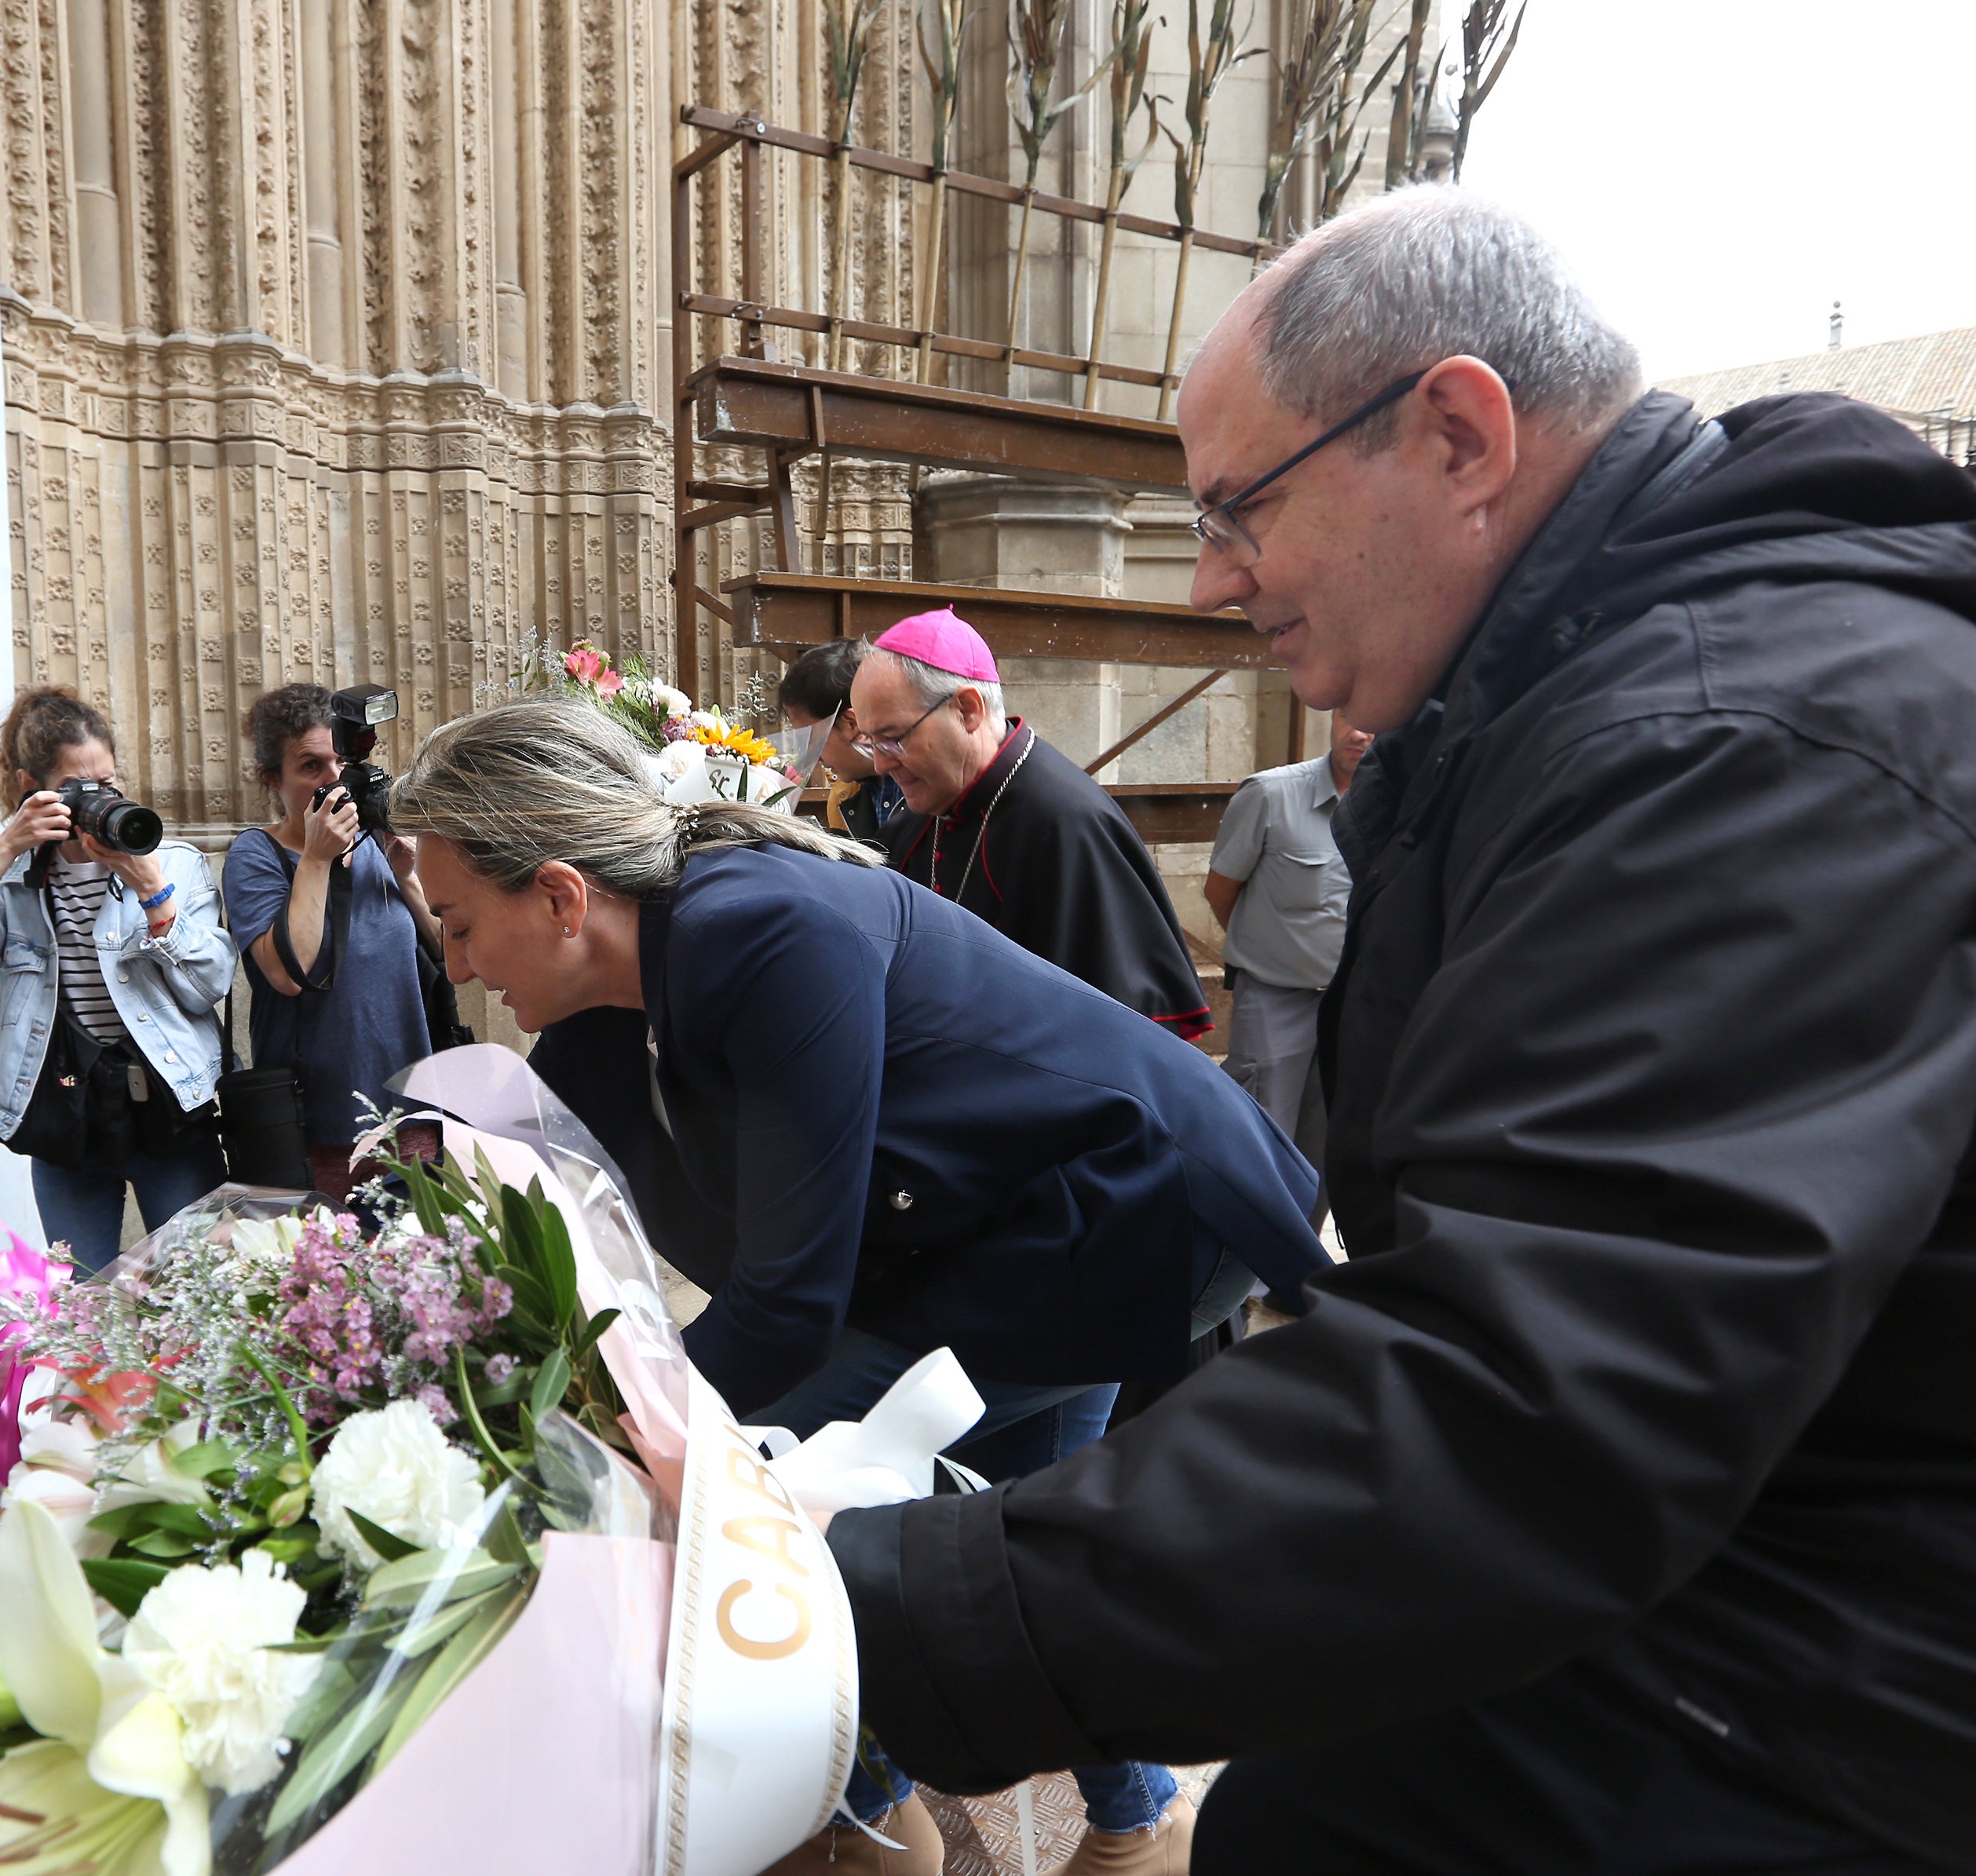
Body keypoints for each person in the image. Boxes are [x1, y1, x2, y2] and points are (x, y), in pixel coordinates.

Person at [820, 189, 1976, 1876]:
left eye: (1241, 509)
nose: (1208, 577)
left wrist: (867, 1613)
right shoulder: (1595, 700)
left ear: (1459, 434)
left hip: (1841, 1699)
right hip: (1736, 1605)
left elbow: (1525, 1403)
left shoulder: (1747, 747)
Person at [389, 698, 1329, 1876]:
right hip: (1012, 1227)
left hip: (1138, 1210)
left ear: (564, 895)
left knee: (799, 1508)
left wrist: (597, 1436)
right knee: (1009, 1521)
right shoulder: (598, 1011)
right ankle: (1130, 1814)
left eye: (463, 925)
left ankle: (856, 1818)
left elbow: (787, 1299)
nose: (459, 965)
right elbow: (601, 1235)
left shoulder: (757, 927)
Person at [0, 689, 231, 1275]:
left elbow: (210, 986)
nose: (99, 802)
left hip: (168, 1110)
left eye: (109, 783)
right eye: (79, 789)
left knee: (197, 1295)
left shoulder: (173, 864)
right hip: (69, 1117)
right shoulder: (16, 886)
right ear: (33, 787)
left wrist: (152, 892)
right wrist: (10, 842)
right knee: (84, 1308)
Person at [853, 611, 1212, 1040]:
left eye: (894, 738)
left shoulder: (1065, 823)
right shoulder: (917, 820)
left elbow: (1126, 1032)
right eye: (870, 741)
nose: (880, 763)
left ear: (967, 709)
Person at [224, 684, 442, 1196]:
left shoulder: (379, 842)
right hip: (318, 1129)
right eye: (310, 767)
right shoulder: (255, 856)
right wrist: (319, 860)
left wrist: (408, 876)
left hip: (410, 1117)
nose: (333, 781)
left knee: (415, 1268)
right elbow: (288, 974)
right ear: (272, 779)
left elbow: (455, 957)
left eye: (340, 762)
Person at [1200, 723, 1374, 1155]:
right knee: (1260, 1139)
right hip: (1274, 1001)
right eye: (1346, 716)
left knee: (1330, 1145)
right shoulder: (1270, 795)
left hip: (1353, 1004)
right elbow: (1221, 890)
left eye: (1372, 722)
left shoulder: (1401, 804)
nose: (1359, 732)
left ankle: (1302, 1228)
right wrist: (1270, 950)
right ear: (1331, 717)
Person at [777, 637, 905, 847]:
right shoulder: (843, 798)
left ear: (852, 724)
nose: (812, 756)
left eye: (812, 740)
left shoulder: (923, 784)